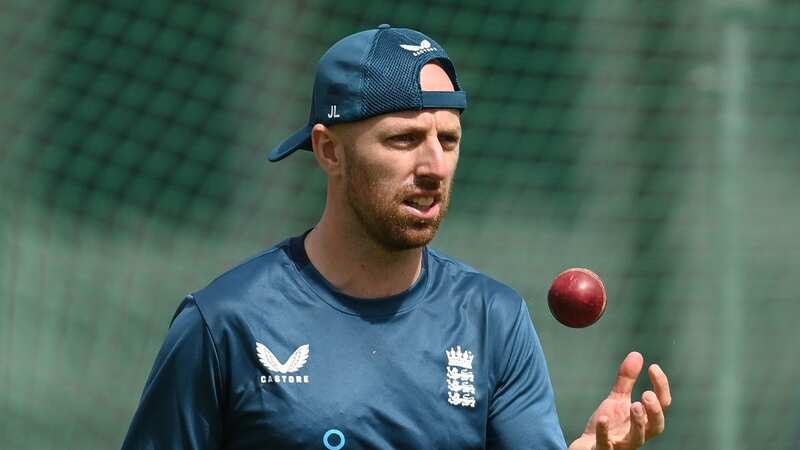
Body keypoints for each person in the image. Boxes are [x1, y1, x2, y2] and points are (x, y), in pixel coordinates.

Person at [121, 25, 671, 450]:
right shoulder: (224, 324)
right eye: (404, 138)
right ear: (329, 150)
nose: (434, 165)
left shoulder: (493, 320)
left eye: (448, 140)